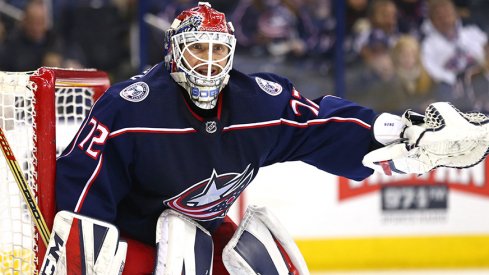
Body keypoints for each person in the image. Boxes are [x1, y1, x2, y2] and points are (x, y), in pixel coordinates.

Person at [53, 2, 489, 274]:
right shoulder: (130, 109)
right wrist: (77, 256)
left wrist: (399, 134)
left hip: (197, 233)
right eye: (197, 50)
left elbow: (321, 125)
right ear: (174, 53)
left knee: (268, 264)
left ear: (232, 54)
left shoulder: (256, 103)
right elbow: (81, 192)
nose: (208, 62)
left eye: (218, 50)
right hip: (130, 242)